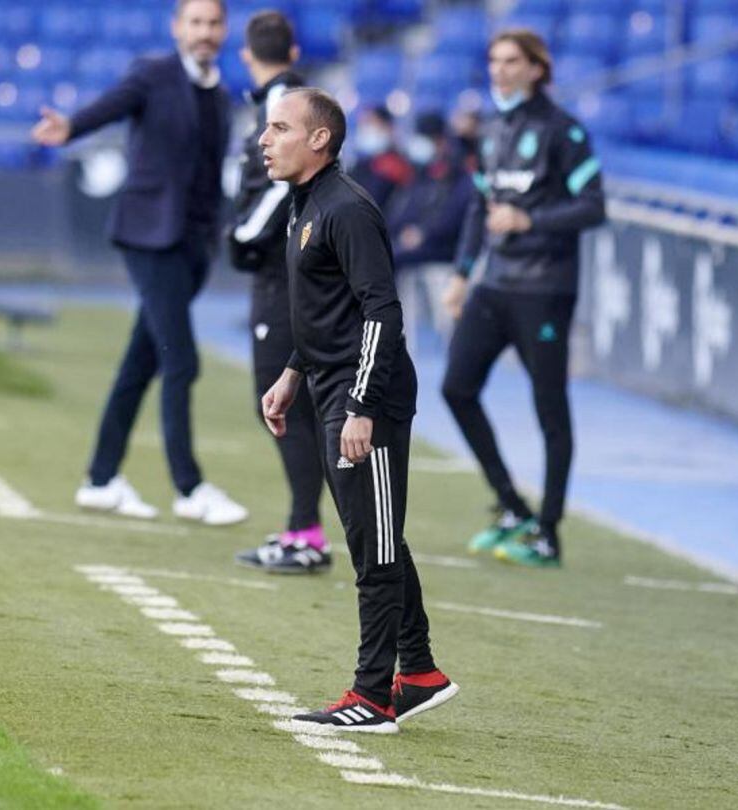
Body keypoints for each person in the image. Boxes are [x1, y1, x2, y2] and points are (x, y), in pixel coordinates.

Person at [259, 88, 457, 732]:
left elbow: (382, 311)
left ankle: (372, 697)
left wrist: (362, 406)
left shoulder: (346, 208)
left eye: (280, 128)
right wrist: (292, 373)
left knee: (372, 546)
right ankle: (420, 670)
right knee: (375, 533)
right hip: (329, 387)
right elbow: (325, 309)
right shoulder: (304, 205)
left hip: (365, 396)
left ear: (320, 139)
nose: (265, 139)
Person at [31, 0, 248, 526]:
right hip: (148, 239)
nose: (204, 31)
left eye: (213, 23)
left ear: (224, 30)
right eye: (195, 22)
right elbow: (113, 104)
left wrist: (211, 238)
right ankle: (189, 487)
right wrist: (72, 127)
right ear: (177, 27)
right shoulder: (153, 74)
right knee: (181, 361)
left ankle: (101, 479)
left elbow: (209, 173)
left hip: (192, 246)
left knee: (140, 363)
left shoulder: (219, 95)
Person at [441, 29, 606, 567]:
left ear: (537, 68)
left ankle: (549, 532)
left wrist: (529, 218)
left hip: (545, 289)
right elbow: (478, 208)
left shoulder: (563, 130)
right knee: (456, 388)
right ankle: (512, 506)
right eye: (493, 60)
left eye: (512, 61)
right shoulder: (491, 129)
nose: (500, 70)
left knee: (549, 409)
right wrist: (463, 273)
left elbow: (594, 207)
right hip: (496, 283)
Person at [227, 11, 331, 573]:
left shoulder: (283, 101)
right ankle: (301, 527)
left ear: (248, 53)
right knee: (291, 405)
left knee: (283, 405)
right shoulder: (287, 97)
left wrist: (240, 234)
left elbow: (278, 183)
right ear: (291, 49)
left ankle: (307, 533)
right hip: (286, 269)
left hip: (282, 273)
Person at [389, 110, 473, 347]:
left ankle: (385, 321)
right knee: (381, 250)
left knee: (392, 257)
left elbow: (455, 215)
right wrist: (399, 230)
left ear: (440, 140)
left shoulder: (458, 173)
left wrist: (423, 233)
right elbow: (409, 209)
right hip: (421, 243)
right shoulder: (424, 172)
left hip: (447, 247)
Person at [348, 105, 412, 213]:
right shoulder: (361, 164)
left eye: (370, 123)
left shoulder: (396, 165)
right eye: (363, 125)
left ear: (388, 128)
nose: (365, 129)